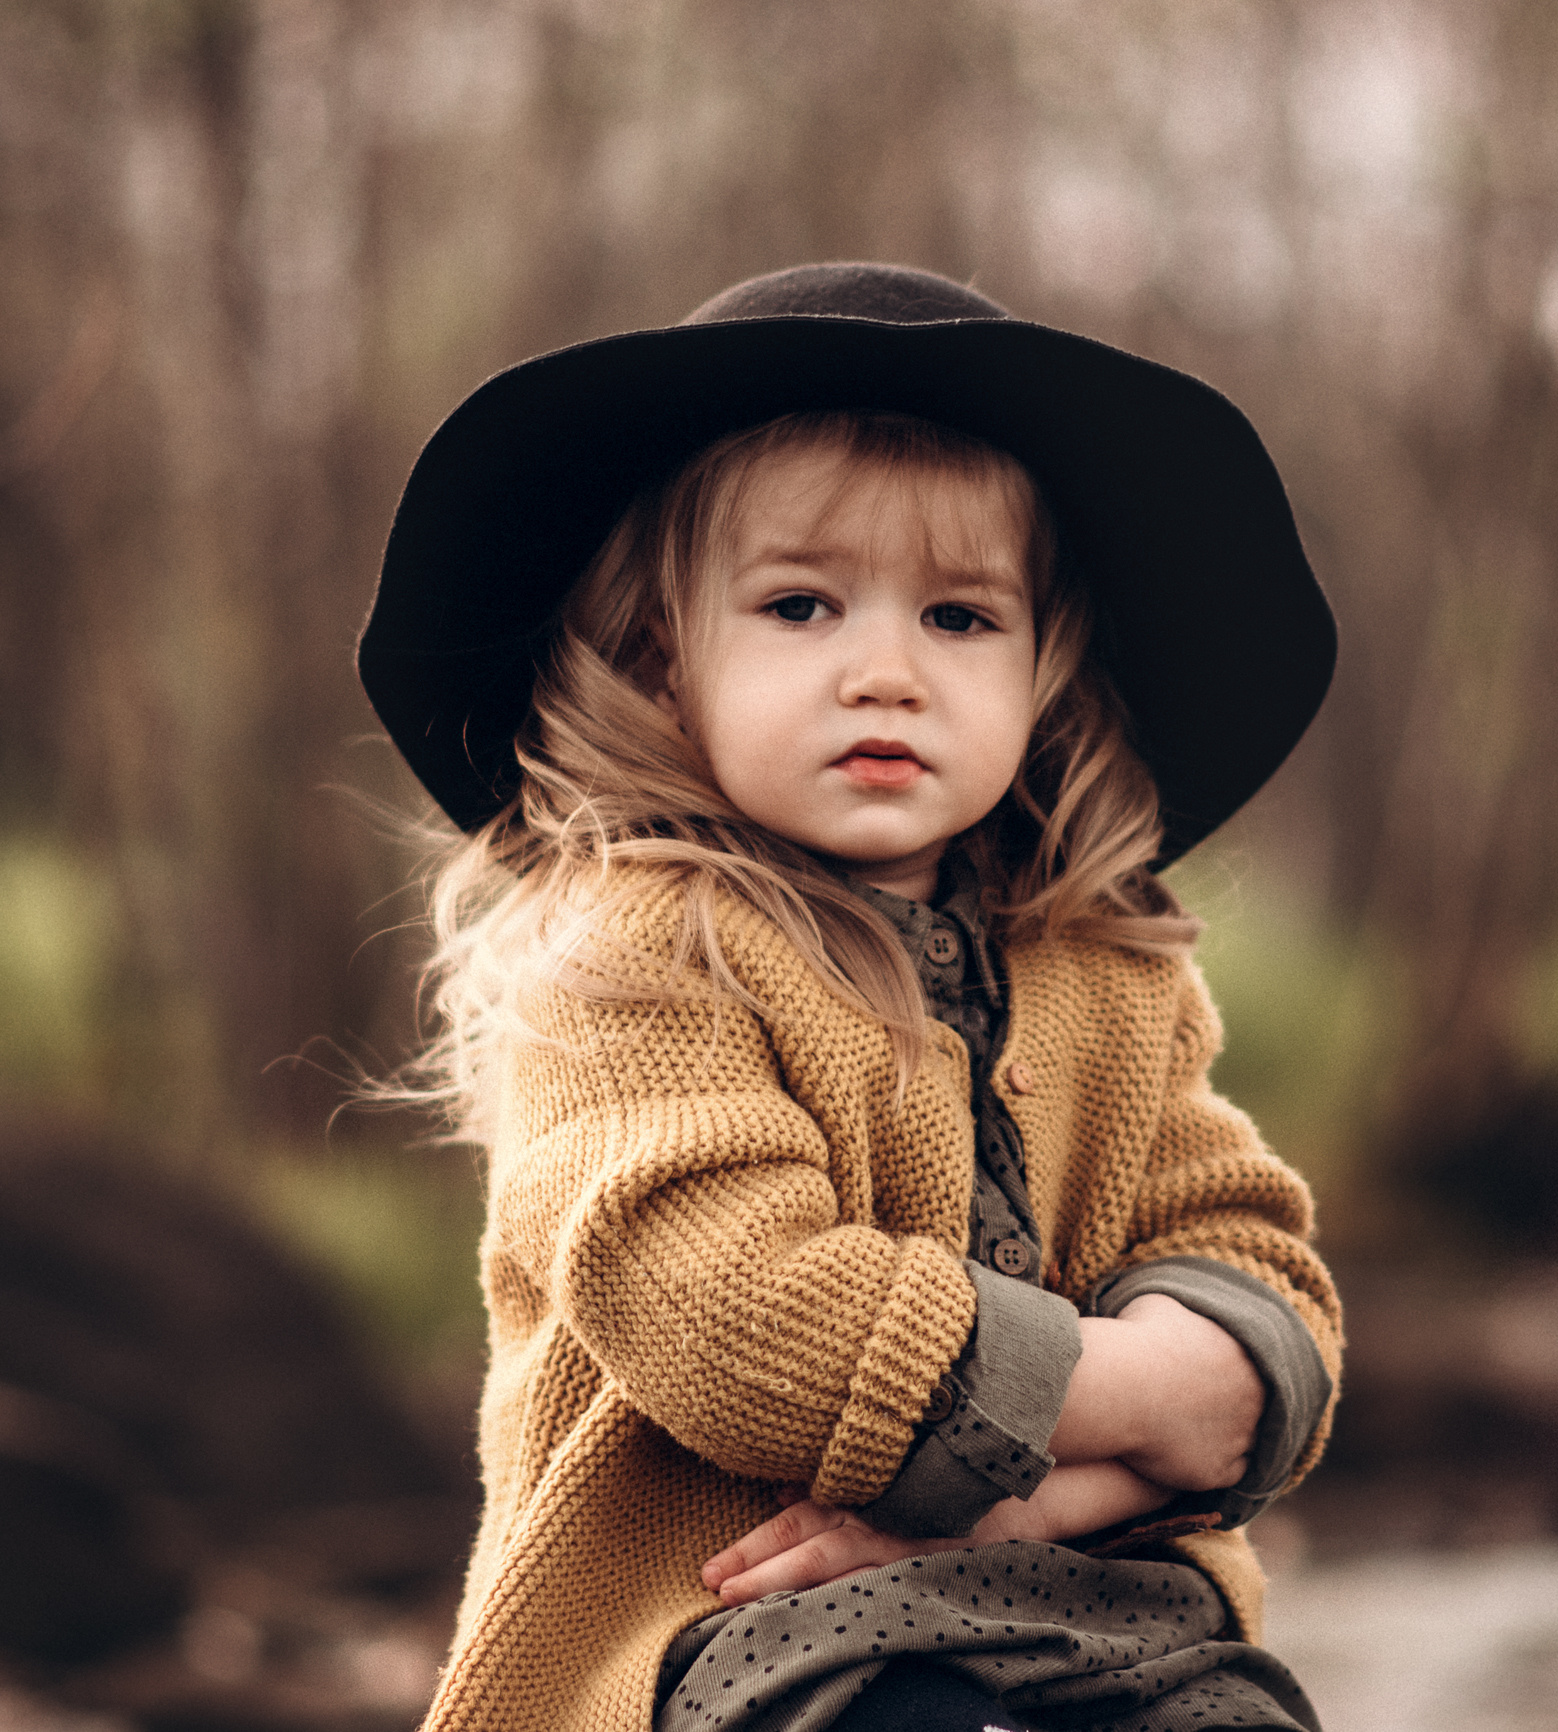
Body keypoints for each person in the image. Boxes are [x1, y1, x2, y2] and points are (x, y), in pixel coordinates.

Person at [357, 262, 1343, 1732]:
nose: (886, 671)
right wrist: (1161, 1404)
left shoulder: (1107, 964)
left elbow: (1263, 1281)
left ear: (1044, 673)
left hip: (1092, 1603)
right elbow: (737, 1315)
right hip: (727, 1638)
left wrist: (1033, 1503)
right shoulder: (634, 951)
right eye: (803, 604)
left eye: (959, 619)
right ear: (662, 651)